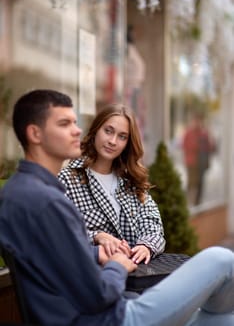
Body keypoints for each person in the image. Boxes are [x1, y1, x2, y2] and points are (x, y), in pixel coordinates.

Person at [1, 89, 234, 326]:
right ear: (35, 134)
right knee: (221, 259)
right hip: (110, 316)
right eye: (65, 123)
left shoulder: (23, 193)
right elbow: (97, 294)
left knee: (223, 319)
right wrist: (115, 264)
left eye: (122, 136)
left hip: (115, 299)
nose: (77, 130)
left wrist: (101, 252)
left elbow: (56, 253)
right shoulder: (48, 199)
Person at [58, 103, 165, 265]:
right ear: (95, 131)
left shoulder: (131, 181)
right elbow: (59, 231)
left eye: (122, 136)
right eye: (108, 131)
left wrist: (146, 246)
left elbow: (152, 222)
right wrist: (97, 236)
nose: (113, 141)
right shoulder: (68, 179)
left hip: (136, 275)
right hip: (94, 278)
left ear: (127, 143)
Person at [182, 113, 215, 205]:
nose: (197, 123)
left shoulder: (204, 133)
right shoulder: (189, 132)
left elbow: (210, 147)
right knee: (192, 183)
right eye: (196, 121)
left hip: (201, 163)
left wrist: (209, 135)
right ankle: (187, 202)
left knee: (200, 183)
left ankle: (197, 203)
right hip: (191, 162)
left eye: (199, 121)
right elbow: (185, 146)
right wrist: (197, 145)